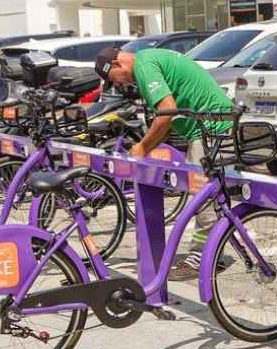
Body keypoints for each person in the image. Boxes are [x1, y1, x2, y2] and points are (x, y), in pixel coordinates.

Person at [95, 46, 232, 281]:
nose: (118, 85)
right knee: (204, 195)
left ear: (117, 65)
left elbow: (166, 111)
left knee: (203, 198)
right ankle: (211, 250)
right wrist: (147, 147)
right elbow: (165, 121)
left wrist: (142, 148)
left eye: (113, 81)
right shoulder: (149, 60)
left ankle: (205, 258)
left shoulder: (144, 66)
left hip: (212, 129)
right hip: (208, 128)